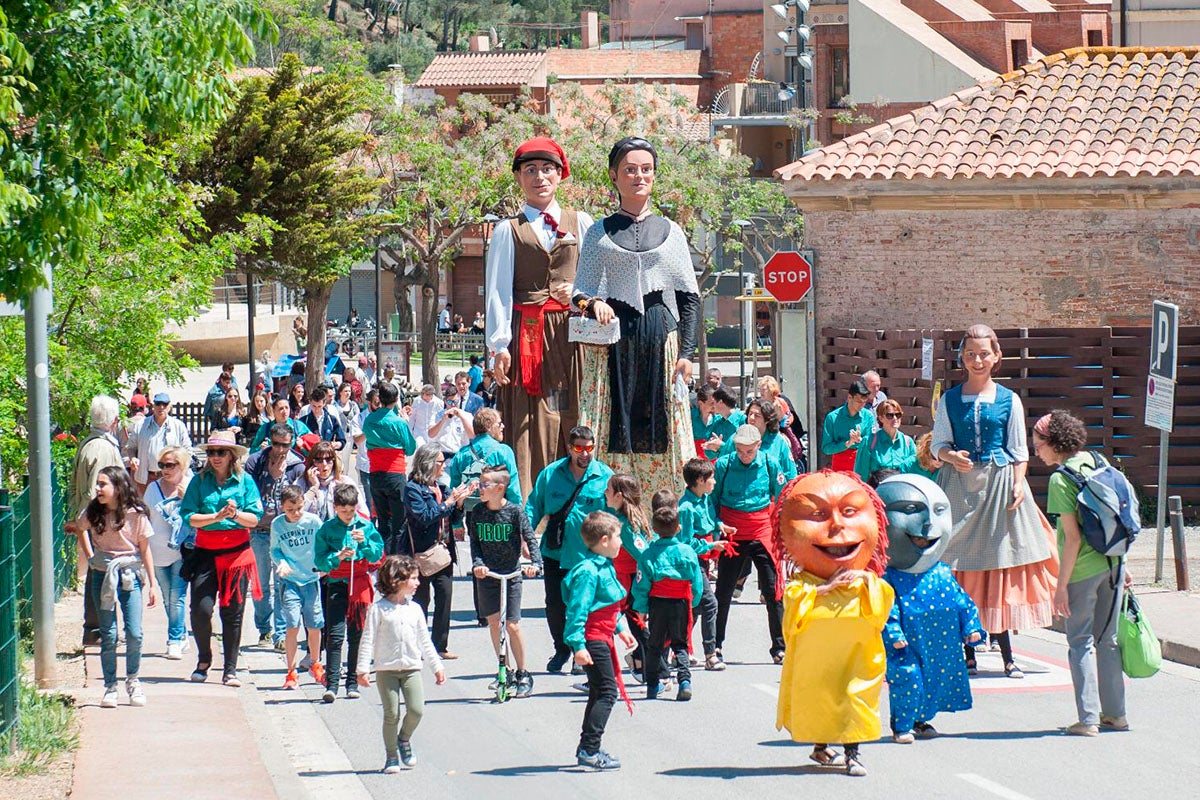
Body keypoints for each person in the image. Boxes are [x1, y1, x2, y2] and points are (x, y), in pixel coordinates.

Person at [574, 136, 699, 496]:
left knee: (665, 421)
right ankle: (610, 501)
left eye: (646, 169)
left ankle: (664, 505)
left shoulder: (672, 232)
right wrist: (592, 303)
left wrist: (687, 354)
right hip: (613, 341)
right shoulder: (599, 231)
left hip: (661, 338)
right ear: (614, 176)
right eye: (630, 170)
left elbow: (689, 297)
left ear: (655, 176)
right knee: (611, 421)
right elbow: (578, 293)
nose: (638, 176)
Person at [933, 324, 1057, 679]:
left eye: (984, 353)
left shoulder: (1008, 400)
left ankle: (1007, 654)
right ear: (962, 358)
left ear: (997, 357)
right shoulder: (950, 399)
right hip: (959, 487)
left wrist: (1019, 485)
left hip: (999, 486)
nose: (977, 360)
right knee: (960, 567)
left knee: (998, 567)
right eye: (970, 354)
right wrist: (951, 456)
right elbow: (939, 444)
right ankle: (967, 649)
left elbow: (1019, 450)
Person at [486, 136, 592, 496]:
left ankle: (581, 505)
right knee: (530, 424)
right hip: (527, 335)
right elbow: (498, 290)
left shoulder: (583, 223)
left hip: (575, 336)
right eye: (530, 170)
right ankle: (534, 512)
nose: (539, 177)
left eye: (547, 169)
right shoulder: (507, 230)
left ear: (561, 175)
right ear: (519, 178)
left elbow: (598, 279)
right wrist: (499, 345)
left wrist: (579, 293)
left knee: (575, 413)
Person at [773, 470, 892, 777]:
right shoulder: (802, 585)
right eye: (817, 514)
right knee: (821, 700)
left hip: (856, 659)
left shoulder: (868, 582)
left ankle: (853, 754)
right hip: (818, 662)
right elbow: (792, 615)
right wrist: (822, 590)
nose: (837, 525)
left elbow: (881, 611)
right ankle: (821, 746)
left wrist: (865, 579)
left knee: (854, 698)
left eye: (850, 511)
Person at [1033, 410, 1129, 736]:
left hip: (1083, 571)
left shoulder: (1061, 480)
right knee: (1108, 641)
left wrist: (1061, 586)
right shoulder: (1096, 460)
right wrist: (1121, 560)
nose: (1036, 451)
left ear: (1055, 442)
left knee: (1080, 642)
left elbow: (1071, 539)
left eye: (1039, 444)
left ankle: (1088, 719)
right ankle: (1116, 715)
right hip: (1113, 564)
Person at [878, 474, 984, 744]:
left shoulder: (942, 572)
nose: (927, 526)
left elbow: (962, 601)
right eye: (912, 510)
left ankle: (920, 719)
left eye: (938, 512)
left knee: (933, 679)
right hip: (906, 641)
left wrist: (971, 626)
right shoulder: (890, 577)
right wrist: (893, 633)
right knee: (907, 678)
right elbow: (886, 608)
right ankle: (901, 724)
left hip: (939, 642)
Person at [67, 466, 160, 708]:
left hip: (129, 572)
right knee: (108, 633)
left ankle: (133, 680)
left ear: (118, 488)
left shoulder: (136, 513)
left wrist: (152, 583)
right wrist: (92, 557)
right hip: (102, 573)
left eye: (102, 484)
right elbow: (80, 527)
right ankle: (110, 686)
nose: (98, 489)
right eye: (97, 484)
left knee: (134, 632)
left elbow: (144, 547)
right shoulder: (93, 511)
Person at [180, 429, 264, 687]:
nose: (215, 457)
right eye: (211, 452)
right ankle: (204, 659)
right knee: (200, 610)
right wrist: (216, 517)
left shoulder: (245, 481)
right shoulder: (198, 481)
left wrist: (234, 515)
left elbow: (255, 518)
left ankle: (230, 669)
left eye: (220, 452)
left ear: (231, 455)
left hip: (237, 554)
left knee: (233, 613)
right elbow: (189, 516)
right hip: (205, 553)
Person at [526, 425, 613, 673]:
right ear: (569, 448)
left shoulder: (604, 476)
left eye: (589, 448)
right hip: (555, 551)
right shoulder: (551, 474)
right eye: (579, 448)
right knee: (554, 605)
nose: (584, 453)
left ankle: (580, 653)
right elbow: (534, 506)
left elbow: (616, 512)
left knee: (584, 605)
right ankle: (561, 649)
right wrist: (525, 536)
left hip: (589, 556)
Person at [356, 555, 446, 774]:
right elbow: (367, 639)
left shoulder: (415, 609)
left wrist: (437, 666)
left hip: (411, 668)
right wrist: (363, 669)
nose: (417, 583)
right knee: (391, 714)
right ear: (397, 580)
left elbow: (425, 641)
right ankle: (391, 757)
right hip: (386, 669)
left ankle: (403, 739)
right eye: (413, 579)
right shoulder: (378, 609)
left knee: (416, 710)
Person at [566, 511, 637, 771]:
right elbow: (578, 610)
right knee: (608, 692)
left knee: (599, 691)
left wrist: (620, 628)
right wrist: (578, 645)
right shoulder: (588, 571)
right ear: (605, 540)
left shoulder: (604, 564)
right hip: (592, 638)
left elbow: (606, 604)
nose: (621, 541)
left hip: (603, 635)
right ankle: (589, 749)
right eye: (618, 536)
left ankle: (588, 747)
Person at [712, 424, 786, 665]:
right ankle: (715, 645)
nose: (744, 457)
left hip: (761, 530)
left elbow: (781, 497)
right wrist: (718, 526)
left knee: (773, 592)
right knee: (723, 592)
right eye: (740, 451)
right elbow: (712, 501)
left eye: (749, 452)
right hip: (732, 533)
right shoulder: (723, 465)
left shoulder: (769, 463)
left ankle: (779, 646)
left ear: (758, 446)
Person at [467, 465, 542, 698]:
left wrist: (535, 564)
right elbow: (475, 543)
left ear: (500, 488)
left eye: (484, 484)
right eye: (479, 484)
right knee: (494, 623)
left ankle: (522, 672)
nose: (480, 488)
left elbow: (530, 538)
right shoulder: (477, 512)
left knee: (512, 625)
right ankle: (505, 670)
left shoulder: (515, 512)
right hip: (487, 575)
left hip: (511, 574)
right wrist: (477, 564)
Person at [402, 444, 473, 659]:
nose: (444, 466)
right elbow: (424, 517)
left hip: (443, 550)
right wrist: (449, 502)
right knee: (421, 601)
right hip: (422, 553)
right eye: (441, 462)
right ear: (429, 463)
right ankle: (417, 646)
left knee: (445, 595)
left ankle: (439, 645)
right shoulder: (413, 489)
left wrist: (459, 503)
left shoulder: (440, 487)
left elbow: (452, 518)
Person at [315, 483, 384, 702]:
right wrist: (338, 556)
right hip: (336, 582)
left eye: (351, 511)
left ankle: (352, 683)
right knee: (334, 635)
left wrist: (364, 545)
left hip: (360, 583)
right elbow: (319, 560)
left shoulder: (365, 526)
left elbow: (376, 556)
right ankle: (331, 684)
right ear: (335, 508)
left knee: (356, 635)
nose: (347, 515)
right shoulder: (327, 528)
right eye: (343, 511)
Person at [632, 503, 704, 701]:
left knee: (655, 645)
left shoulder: (648, 554)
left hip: (658, 603)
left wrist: (640, 607)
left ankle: (653, 685)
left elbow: (641, 583)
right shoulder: (688, 552)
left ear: (654, 530)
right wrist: (694, 601)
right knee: (680, 644)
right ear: (678, 528)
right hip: (680, 602)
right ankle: (685, 681)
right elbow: (696, 581)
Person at [244, 423, 306, 648]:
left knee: (283, 582)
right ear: (270, 441)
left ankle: (281, 634)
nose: (281, 450)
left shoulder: (297, 465)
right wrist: (270, 476)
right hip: (259, 531)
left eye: (285, 445)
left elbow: (301, 498)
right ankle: (264, 629)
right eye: (277, 444)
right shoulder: (255, 462)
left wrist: (282, 477)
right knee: (260, 583)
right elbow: (248, 495)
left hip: (284, 533)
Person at [70, 396, 125, 646]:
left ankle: (97, 629)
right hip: (99, 524)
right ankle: (98, 629)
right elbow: (98, 491)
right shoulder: (102, 448)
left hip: (91, 521)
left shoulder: (88, 444)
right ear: (114, 421)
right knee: (101, 575)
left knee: (99, 573)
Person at [677, 460, 736, 671]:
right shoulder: (685, 508)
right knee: (710, 603)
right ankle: (710, 654)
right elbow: (685, 543)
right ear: (700, 481)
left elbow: (711, 519)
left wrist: (721, 526)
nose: (714, 481)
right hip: (692, 564)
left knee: (697, 606)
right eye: (711, 478)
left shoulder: (705, 499)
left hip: (704, 560)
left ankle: (678, 648)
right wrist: (711, 545)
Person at [271, 485, 326, 690]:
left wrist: (325, 563)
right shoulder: (278, 525)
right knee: (292, 625)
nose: (295, 514)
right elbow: (275, 550)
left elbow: (324, 543)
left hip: (311, 579)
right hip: (290, 581)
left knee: (314, 624)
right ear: (282, 507)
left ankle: (315, 662)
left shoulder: (313, 522)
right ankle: (291, 671)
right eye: (290, 510)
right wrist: (282, 563)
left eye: (299, 508)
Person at [143, 446, 192, 660]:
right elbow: (145, 519)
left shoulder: (191, 485)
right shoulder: (153, 488)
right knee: (167, 597)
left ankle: (173, 640)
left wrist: (187, 498)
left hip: (182, 551)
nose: (165, 470)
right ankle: (181, 634)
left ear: (182, 466)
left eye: (170, 465)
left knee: (177, 595)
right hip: (157, 551)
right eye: (162, 465)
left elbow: (200, 514)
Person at [601, 474, 651, 679]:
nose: (605, 493)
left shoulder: (624, 525)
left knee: (601, 626)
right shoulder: (629, 519)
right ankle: (643, 666)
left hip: (628, 585)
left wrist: (642, 589)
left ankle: (601, 678)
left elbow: (643, 556)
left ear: (619, 496)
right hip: (627, 584)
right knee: (637, 630)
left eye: (608, 490)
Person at [363, 383, 419, 553]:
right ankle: (395, 559)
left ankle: (383, 560)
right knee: (399, 522)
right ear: (396, 399)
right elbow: (410, 448)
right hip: (395, 474)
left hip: (375, 474)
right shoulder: (399, 423)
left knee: (382, 520)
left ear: (379, 399)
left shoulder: (369, 420)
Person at [127, 392, 193, 496]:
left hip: (172, 479)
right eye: (158, 404)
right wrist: (133, 458)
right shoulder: (140, 425)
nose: (161, 407)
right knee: (147, 510)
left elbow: (188, 451)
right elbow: (131, 447)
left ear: (169, 407)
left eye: (165, 404)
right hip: (147, 478)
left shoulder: (179, 426)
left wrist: (183, 473)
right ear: (153, 406)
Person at [854, 399, 918, 485]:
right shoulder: (869, 441)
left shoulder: (908, 442)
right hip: (877, 491)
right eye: (890, 415)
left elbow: (916, 471)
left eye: (898, 415)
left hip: (901, 491)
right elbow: (861, 475)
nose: (895, 418)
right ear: (881, 418)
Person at [302, 440, 368, 522]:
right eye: (319, 460)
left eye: (328, 459)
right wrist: (314, 487)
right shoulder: (302, 482)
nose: (324, 464)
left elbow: (363, 513)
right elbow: (295, 512)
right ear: (312, 462)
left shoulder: (345, 482)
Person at [821, 378, 876, 472]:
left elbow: (873, 444)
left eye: (864, 402)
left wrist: (861, 440)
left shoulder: (868, 416)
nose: (862, 405)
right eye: (859, 402)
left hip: (862, 461)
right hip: (841, 463)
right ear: (849, 397)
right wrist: (847, 443)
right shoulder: (833, 418)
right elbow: (826, 448)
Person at [300, 385, 347, 451]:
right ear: (310, 402)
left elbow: (342, 440)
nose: (316, 409)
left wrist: (338, 444)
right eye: (314, 406)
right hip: (309, 455)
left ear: (324, 403)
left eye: (319, 406)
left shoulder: (332, 420)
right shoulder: (303, 421)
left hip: (327, 455)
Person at [335, 381, 361, 477]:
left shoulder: (353, 405)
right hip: (338, 436)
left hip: (349, 436)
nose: (347, 393)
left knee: (346, 459)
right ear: (340, 392)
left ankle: (345, 477)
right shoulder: (335, 405)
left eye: (349, 391)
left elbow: (358, 418)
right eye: (345, 391)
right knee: (338, 458)